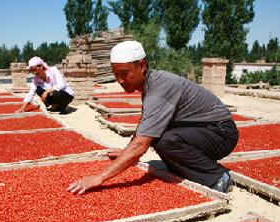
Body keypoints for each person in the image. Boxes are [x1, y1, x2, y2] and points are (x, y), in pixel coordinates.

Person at [67, 40, 239, 194]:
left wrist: (100, 177)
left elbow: (141, 143)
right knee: (160, 138)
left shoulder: (160, 88)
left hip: (221, 133)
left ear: (141, 66)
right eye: (116, 74)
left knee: (167, 141)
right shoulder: (150, 84)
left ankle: (217, 177)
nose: (119, 80)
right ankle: (189, 169)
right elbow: (146, 125)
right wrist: (127, 152)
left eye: (124, 74)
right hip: (202, 130)